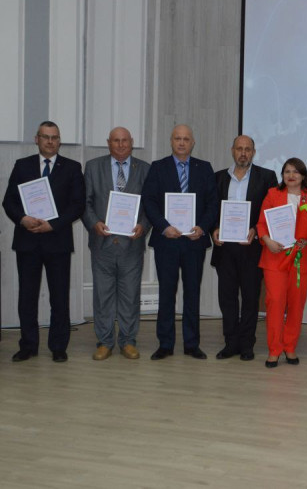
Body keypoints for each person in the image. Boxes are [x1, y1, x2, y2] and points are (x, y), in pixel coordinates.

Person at [2, 121, 85, 362]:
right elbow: (9, 201)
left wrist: (53, 224)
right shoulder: (22, 165)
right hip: (27, 241)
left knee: (59, 297)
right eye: (46, 137)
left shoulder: (72, 168)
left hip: (57, 241)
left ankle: (58, 347)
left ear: (59, 141)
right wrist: (23, 219)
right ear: (36, 139)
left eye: (55, 137)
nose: (50, 141)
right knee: (27, 297)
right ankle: (28, 345)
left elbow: (77, 205)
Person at [142, 124, 218, 360]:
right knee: (167, 293)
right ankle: (165, 344)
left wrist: (202, 227)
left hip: (194, 241)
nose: (182, 142)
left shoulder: (204, 168)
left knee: (192, 293)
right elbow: (149, 201)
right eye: (177, 138)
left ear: (193, 142)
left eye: (186, 139)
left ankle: (191, 344)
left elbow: (213, 203)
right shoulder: (158, 167)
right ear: (171, 141)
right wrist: (164, 227)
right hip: (167, 241)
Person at [81, 127, 151, 360]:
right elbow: (85, 202)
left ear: (132, 142)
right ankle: (105, 342)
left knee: (130, 295)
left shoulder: (145, 169)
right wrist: (94, 223)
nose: (121, 145)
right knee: (103, 295)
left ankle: (128, 341)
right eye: (116, 141)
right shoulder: (93, 167)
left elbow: (151, 205)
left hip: (132, 245)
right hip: (102, 244)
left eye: (125, 141)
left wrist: (144, 225)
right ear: (108, 143)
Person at [210, 135, 277, 361]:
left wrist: (256, 230)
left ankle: (247, 344)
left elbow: (270, 211)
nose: (243, 153)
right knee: (227, 298)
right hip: (225, 248)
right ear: (232, 151)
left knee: (250, 298)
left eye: (248, 149)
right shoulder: (218, 177)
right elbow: (210, 209)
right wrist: (214, 229)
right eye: (239, 149)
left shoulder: (267, 177)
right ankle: (231, 343)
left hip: (252, 248)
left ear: (254, 152)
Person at [257, 158, 307, 367]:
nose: (291, 176)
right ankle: (274, 349)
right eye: (287, 172)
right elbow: (261, 224)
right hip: (275, 257)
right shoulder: (273, 194)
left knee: (296, 304)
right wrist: (267, 241)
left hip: (301, 259)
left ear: (303, 175)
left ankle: (290, 347)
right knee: (275, 302)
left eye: (296, 172)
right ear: (282, 175)